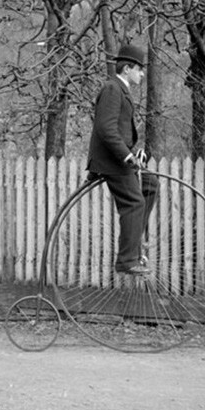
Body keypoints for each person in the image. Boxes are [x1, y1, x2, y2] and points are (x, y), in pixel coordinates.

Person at [86, 44, 159, 276]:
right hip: (111, 162)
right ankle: (127, 260)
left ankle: (136, 239)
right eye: (139, 69)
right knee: (134, 203)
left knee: (151, 184)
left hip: (119, 159)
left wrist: (134, 152)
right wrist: (126, 156)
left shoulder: (121, 90)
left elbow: (119, 131)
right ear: (127, 68)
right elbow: (106, 129)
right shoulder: (112, 89)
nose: (142, 74)